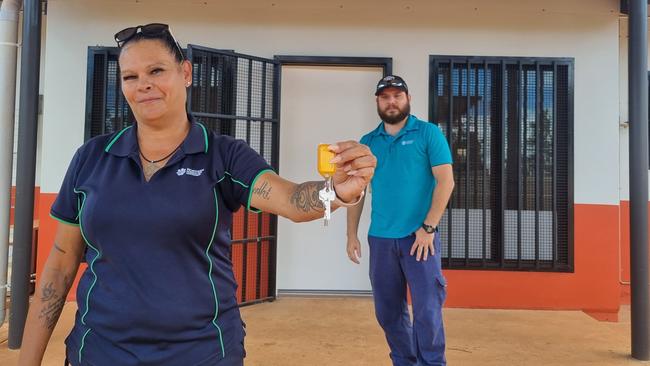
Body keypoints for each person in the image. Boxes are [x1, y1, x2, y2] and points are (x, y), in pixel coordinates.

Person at [18, 23, 376, 366]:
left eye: (156, 70)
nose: (143, 84)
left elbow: (291, 200)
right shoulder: (92, 158)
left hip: (202, 354)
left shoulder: (223, 155)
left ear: (186, 73)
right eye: (130, 76)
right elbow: (60, 264)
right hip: (99, 353)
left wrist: (338, 192)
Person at [346, 75, 454, 366]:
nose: (391, 101)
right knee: (388, 312)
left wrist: (428, 228)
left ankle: (432, 363)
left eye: (397, 95)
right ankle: (404, 361)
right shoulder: (367, 144)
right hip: (381, 239)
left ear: (408, 99)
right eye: (385, 97)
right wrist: (351, 234)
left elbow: (446, 182)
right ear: (377, 102)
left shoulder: (428, 133)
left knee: (427, 312)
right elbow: (357, 193)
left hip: (420, 239)